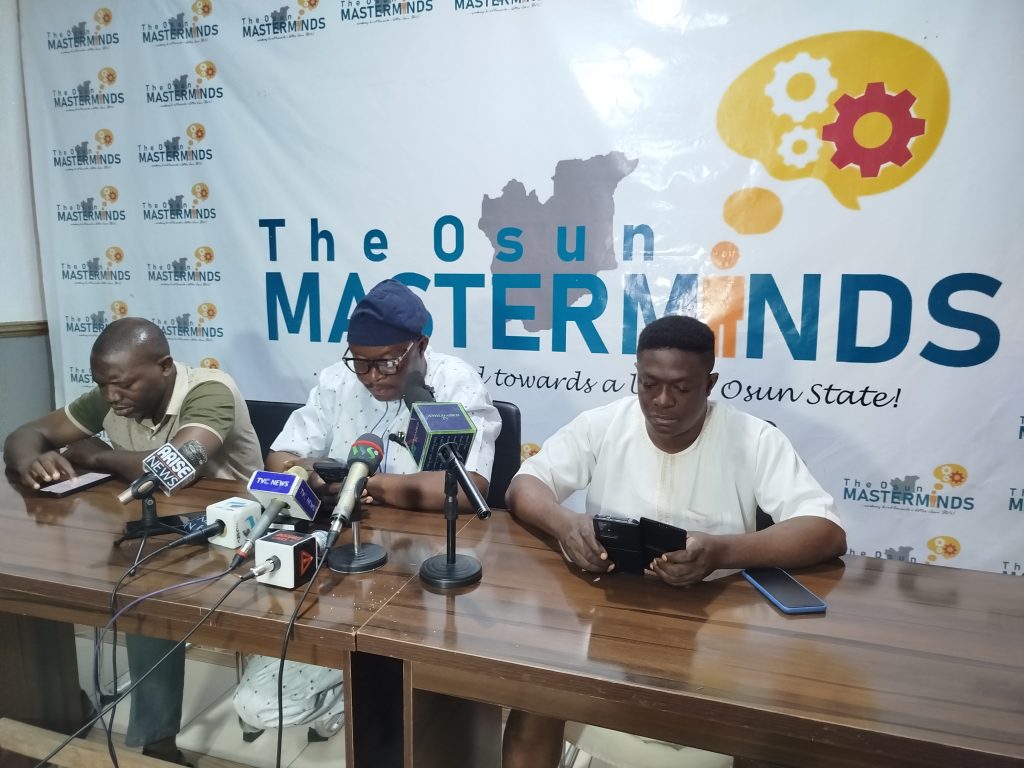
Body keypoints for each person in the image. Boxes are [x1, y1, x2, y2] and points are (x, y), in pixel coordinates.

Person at [500, 315, 846, 768]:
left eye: (682, 388)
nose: (662, 401)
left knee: (785, 730)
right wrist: (566, 524)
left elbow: (824, 529)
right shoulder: (604, 424)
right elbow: (525, 485)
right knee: (532, 699)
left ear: (710, 383)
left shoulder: (755, 439)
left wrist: (722, 551)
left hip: (718, 631)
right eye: (649, 384)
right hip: (611, 621)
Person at [232, 278, 500, 741]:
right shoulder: (336, 381)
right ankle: (348, 691)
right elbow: (280, 456)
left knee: (407, 704)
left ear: (421, 345)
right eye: (360, 362)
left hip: (425, 575)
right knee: (256, 705)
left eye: (386, 362)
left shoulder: (454, 383)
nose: (372, 376)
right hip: (342, 561)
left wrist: (364, 483)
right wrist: (308, 473)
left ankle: (362, 695)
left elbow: (466, 486)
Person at [3, 317, 262, 765]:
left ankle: (165, 736)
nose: (111, 397)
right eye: (103, 385)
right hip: (160, 530)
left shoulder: (208, 389)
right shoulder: (111, 394)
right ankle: (152, 743)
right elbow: (25, 435)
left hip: (237, 533)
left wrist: (99, 455)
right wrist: (31, 462)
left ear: (164, 366)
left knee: (146, 591)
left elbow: (176, 466)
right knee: (132, 588)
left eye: (122, 385)